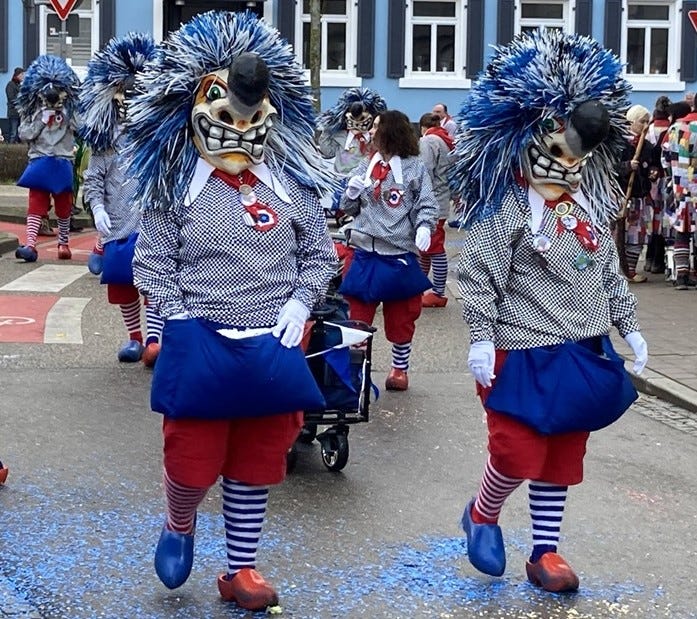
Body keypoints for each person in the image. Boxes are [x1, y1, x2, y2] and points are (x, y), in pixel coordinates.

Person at [126, 11, 337, 611]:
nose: (241, 131)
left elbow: (319, 256)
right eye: (228, 116)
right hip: (200, 337)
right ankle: (180, 521)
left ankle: (239, 568)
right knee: (191, 462)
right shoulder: (174, 187)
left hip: (272, 341)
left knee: (255, 462)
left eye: (252, 119)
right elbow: (152, 263)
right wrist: (174, 320)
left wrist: (301, 302)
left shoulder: (291, 185)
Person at [452, 29, 648, 593]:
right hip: (521, 348)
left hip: (582, 348)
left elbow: (608, 272)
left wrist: (628, 327)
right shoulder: (506, 207)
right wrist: (480, 337)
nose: (566, 167)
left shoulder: (588, 209)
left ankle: (545, 551)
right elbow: (479, 274)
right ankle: (483, 514)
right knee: (516, 452)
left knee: (562, 454)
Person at [338, 110, 439, 391]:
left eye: (377, 127)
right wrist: (350, 195)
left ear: (390, 132)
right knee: (356, 317)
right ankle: (356, 371)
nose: (371, 132)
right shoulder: (365, 165)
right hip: (364, 253)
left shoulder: (415, 168)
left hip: (398, 256)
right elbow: (347, 209)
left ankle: (399, 369)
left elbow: (427, 204)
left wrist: (424, 226)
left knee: (402, 318)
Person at [79, 32, 162, 365]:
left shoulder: (155, 138)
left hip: (152, 222)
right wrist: (96, 208)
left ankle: (155, 340)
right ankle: (135, 339)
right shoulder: (105, 143)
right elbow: (94, 180)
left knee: (154, 281)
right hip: (118, 224)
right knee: (122, 283)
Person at [13, 55, 80, 263]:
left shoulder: (69, 110)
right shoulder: (32, 109)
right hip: (40, 159)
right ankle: (31, 244)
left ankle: (64, 243)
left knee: (64, 204)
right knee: (36, 202)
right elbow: (24, 134)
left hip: (62, 159)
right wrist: (41, 121)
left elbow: (81, 128)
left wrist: (66, 116)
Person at [317, 88, 386, 217]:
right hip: (342, 179)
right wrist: (327, 129)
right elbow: (328, 152)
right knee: (343, 210)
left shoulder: (373, 137)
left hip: (365, 182)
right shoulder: (341, 136)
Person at [418, 112, 454, 307]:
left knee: (434, 248)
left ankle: (438, 292)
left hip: (432, 200)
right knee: (425, 248)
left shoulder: (428, 141)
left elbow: (425, 170)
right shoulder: (445, 139)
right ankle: (418, 286)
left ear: (422, 127)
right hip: (441, 197)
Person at [617, 105, 654, 282]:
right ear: (631, 122)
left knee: (637, 234)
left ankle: (631, 270)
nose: (646, 125)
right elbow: (610, 168)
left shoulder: (647, 146)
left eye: (648, 121)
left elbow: (654, 165)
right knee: (617, 233)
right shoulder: (618, 143)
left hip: (639, 196)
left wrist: (653, 172)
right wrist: (626, 166)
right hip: (620, 196)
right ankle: (616, 270)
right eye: (642, 121)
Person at [664, 98, 697, 290]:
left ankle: (682, 274)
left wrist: (674, 176)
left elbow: (665, 158)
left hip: (680, 189)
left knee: (682, 230)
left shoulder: (674, 129)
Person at [5, 67, 24, 144]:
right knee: (13, 132)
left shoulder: (20, 86)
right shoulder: (10, 85)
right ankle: (10, 146)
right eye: (22, 74)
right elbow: (11, 98)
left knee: (19, 133)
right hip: (13, 112)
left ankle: (17, 146)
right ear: (17, 75)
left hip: (20, 113)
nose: (23, 76)